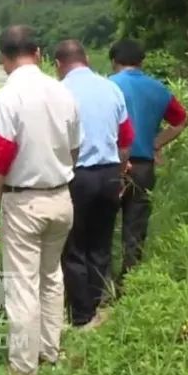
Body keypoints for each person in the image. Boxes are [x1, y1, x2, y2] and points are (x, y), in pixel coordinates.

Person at [0, 25, 80, 375]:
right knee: (51, 277)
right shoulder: (63, 92)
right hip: (62, 197)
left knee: (22, 285)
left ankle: (23, 368)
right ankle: (50, 352)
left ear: (4, 59)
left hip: (25, 203)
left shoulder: (9, 96)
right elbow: (75, 147)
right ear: (38, 53)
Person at [53, 40, 134, 330]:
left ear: (59, 64)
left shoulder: (60, 91)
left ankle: (81, 314)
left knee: (74, 246)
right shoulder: (111, 87)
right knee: (100, 244)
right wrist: (121, 172)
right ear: (86, 59)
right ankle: (97, 303)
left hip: (78, 176)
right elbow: (126, 138)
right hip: (110, 172)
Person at [108, 39, 188, 291]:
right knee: (135, 226)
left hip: (111, 165)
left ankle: (102, 285)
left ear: (114, 61)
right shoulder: (159, 89)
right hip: (143, 167)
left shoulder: (108, 86)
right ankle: (129, 283)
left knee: (103, 225)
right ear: (141, 62)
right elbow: (180, 120)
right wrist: (156, 143)